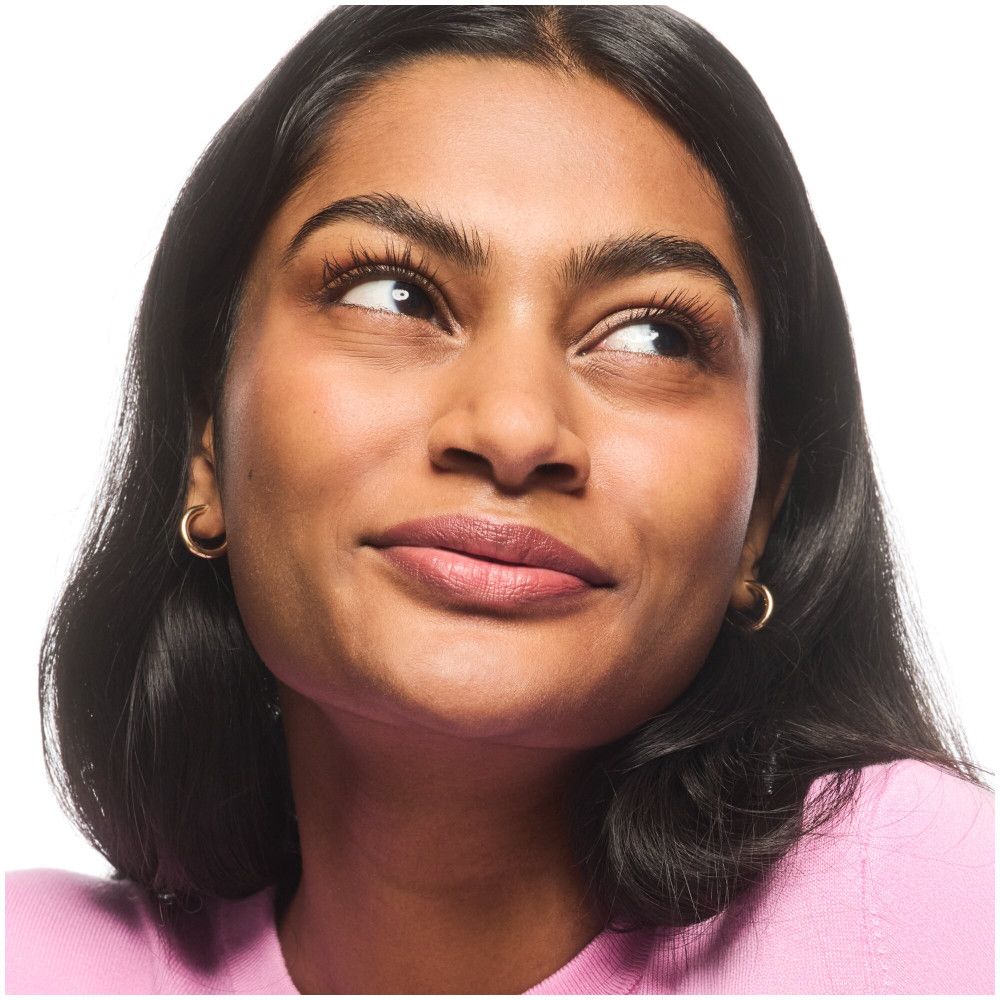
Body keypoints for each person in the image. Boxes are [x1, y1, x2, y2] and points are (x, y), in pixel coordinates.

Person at [5, 5, 993, 995]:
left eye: (652, 335)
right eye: (393, 294)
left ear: (763, 509)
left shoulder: (930, 909)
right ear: (205, 437)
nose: (515, 430)